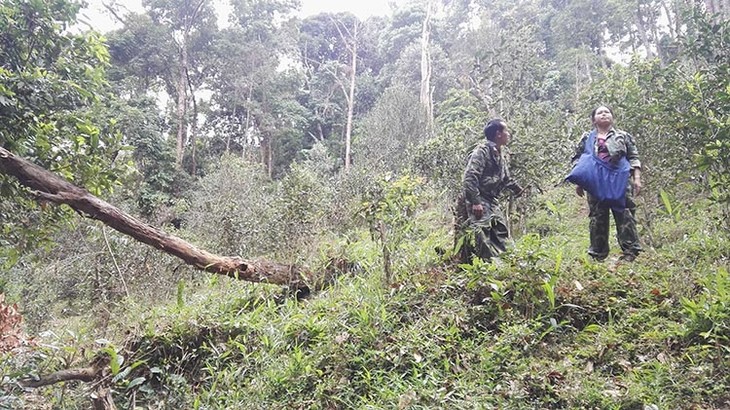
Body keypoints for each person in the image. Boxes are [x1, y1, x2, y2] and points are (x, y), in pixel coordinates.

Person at [570, 105, 642, 262]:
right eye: (600, 113)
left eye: (607, 112)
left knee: (625, 214)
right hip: (596, 183)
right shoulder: (587, 138)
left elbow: (633, 156)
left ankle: (630, 252)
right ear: (593, 119)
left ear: (612, 117)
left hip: (620, 182)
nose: (604, 114)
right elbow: (579, 159)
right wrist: (579, 181)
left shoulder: (623, 136)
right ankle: (597, 254)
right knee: (597, 217)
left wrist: (637, 178)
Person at [455, 119, 524, 263]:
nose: (508, 134)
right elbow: (469, 177)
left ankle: (505, 266)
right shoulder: (482, 151)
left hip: (492, 200)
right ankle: (487, 271)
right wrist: (476, 202)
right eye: (506, 131)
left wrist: (516, 188)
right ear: (498, 134)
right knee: (483, 236)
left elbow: (504, 178)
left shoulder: (500, 153)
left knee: (501, 231)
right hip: (480, 199)